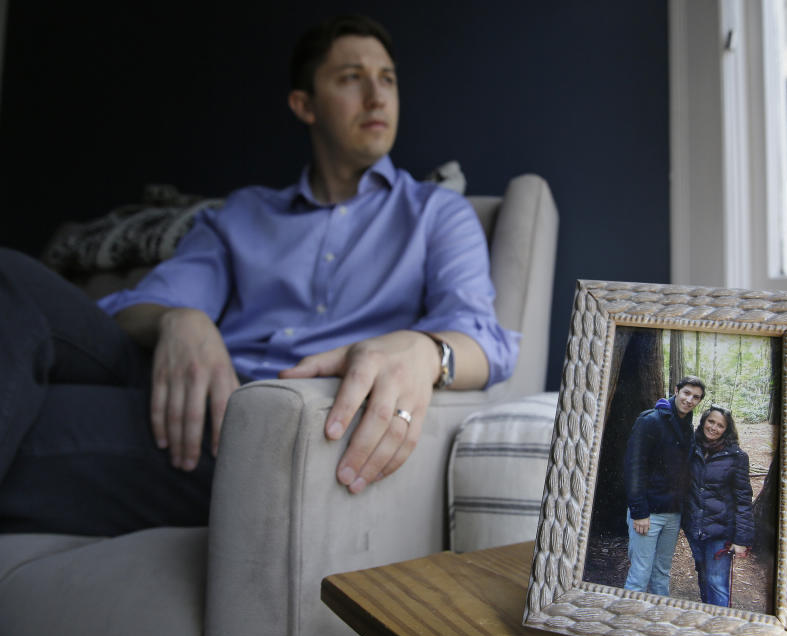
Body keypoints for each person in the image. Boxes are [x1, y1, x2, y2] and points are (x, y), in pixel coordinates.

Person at [0, 15, 518, 536]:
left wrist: (425, 350)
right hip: (188, 377)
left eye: (387, 78)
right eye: (350, 78)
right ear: (304, 105)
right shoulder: (241, 214)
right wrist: (179, 321)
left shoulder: (436, 214)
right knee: (11, 276)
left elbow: (486, 341)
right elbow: (130, 310)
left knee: (34, 420)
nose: (377, 96)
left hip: (255, 425)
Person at [622, 375, 705, 595]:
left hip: (672, 513)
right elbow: (634, 467)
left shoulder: (687, 425)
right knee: (640, 574)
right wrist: (639, 512)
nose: (689, 399)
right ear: (676, 390)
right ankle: (628, 624)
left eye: (696, 397)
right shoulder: (650, 420)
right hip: (648, 513)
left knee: (662, 572)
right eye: (686, 393)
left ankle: (659, 619)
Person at [682, 405, 754, 608]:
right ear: (704, 421)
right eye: (711, 421)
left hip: (721, 532)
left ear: (727, 430)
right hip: (695, 529)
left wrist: (742, 539)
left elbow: (743, 499)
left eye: (720, 425)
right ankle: (708, 620)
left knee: (716, 583)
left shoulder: (737, 457)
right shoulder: (693, 448)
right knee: (704, 577)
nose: (713, 427)